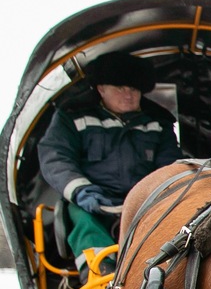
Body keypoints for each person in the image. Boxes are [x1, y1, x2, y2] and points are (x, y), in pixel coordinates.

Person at [38, 50, 183, 267]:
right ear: (101, 89)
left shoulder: (159, 123)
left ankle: (159, 274)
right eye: (120, 88)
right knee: (82, 218)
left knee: (175, 217)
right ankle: (100, 276)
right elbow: (56, 158)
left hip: (145, 204)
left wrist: (157, 199)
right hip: (93, 201)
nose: (128, 94)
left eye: (133, 88)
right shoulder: (71, 116)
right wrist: (83, 192)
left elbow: (169, 167)